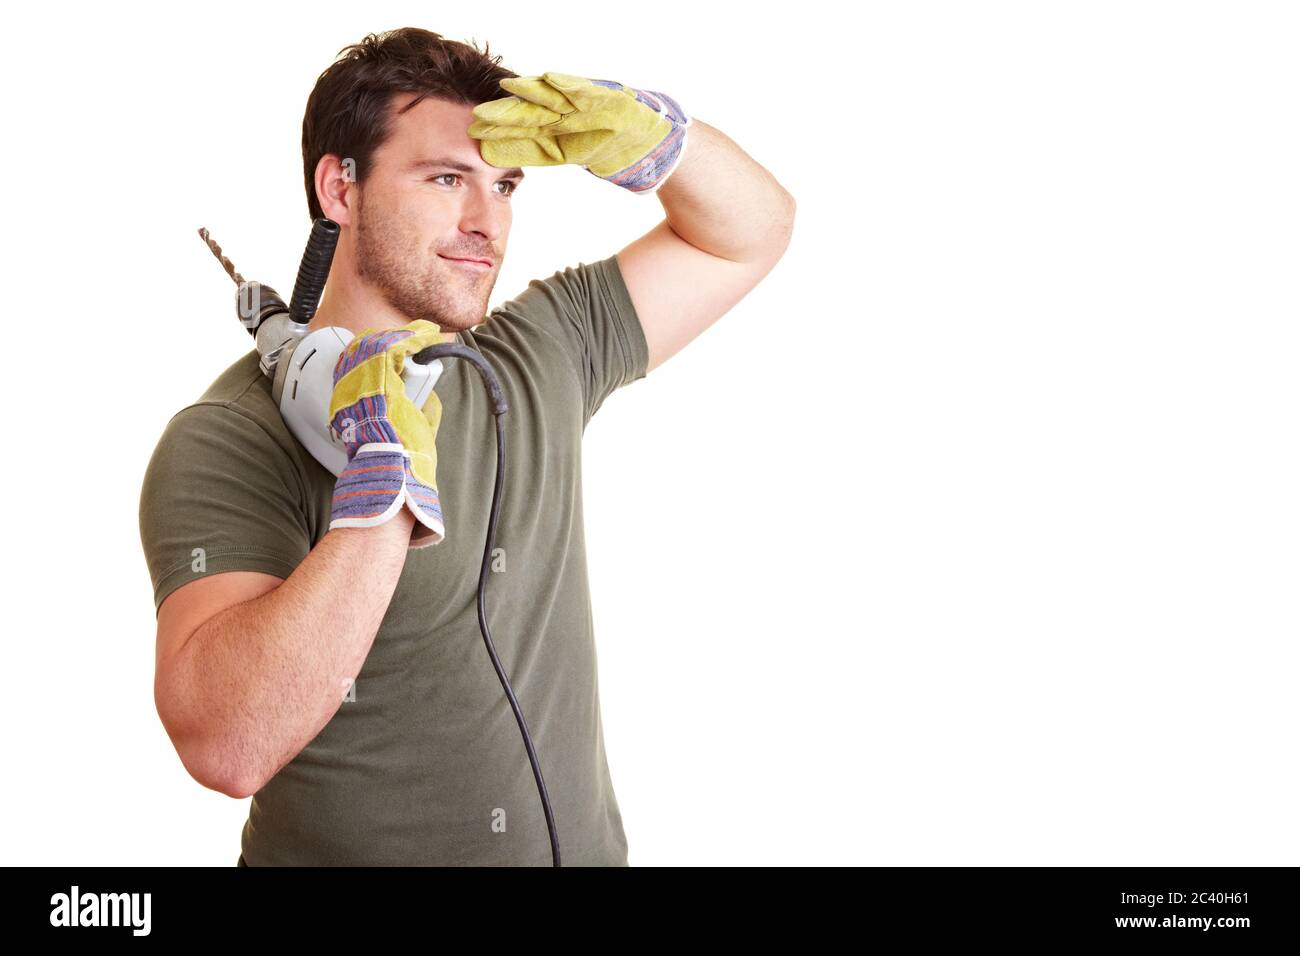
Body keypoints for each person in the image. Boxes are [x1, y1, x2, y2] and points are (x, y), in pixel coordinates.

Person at [139, 26, 795, 866]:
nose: (487, 222)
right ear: (340, 188)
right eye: (448, 178)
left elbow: (749, 231)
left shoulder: (540, 352)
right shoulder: (230, 439)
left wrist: (658, 141)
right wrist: (379, 491)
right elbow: (226, 746)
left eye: (506, 185)